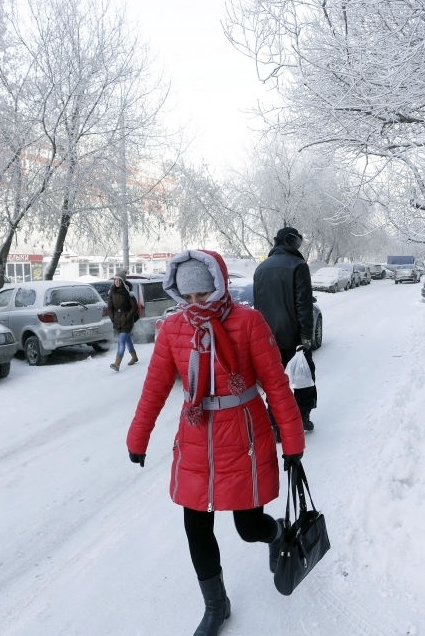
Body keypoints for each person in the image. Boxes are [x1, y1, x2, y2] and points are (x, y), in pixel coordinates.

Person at [126, 250, 305, 636]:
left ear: (219, 287)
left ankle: (274, 534)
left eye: (202, 295)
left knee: (248, 525)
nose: (195, 305)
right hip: (195, 438)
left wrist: (292, 442)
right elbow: (154, 388)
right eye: (187, 298)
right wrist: (138, 436)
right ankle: (216, 605)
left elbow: (275, 384)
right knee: (196, 526)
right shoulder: (174, 329)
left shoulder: (248, 322)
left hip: (244, 437)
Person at [253, 226, 317, 433]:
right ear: (292, 242)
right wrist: (306, 337)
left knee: (275, 381)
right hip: (294, 337)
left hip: (267, 339)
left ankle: (275, 423)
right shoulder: (299, 266)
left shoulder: (260, 269)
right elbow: (303, 305)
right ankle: (302, 417)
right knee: (302, 376)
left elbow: (258, 306)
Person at [107, 271, 138, 371]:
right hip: (117, 320)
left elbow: (134, 307)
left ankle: (117, 363)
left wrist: (127, 317)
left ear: (122, 281)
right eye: (115, 280)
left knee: (121, 341)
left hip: (127, 321)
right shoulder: (112, 292)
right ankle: (134, 356)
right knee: (127, 339)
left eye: (118, 280)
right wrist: (113, 318)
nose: (116, 282)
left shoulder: (128, 293)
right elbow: (110, 308)